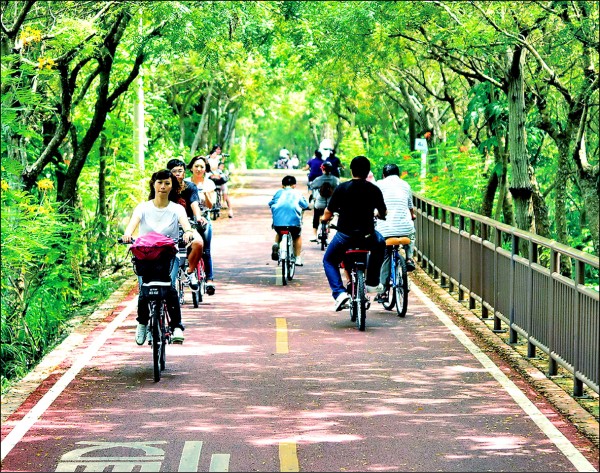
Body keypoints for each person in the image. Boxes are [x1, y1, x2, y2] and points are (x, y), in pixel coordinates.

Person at [122, 169, 193, 344]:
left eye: (167, 183)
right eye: (159, 182)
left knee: (169, 288)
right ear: (153, 184)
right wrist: (127, 235)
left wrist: (188, 233)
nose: (163, 186)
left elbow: (186, 226)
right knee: (144, 290)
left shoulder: (177, 209)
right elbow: (131, 226)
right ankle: (142, 324)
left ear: (172, 187)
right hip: (146, 256)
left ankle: (176, 326)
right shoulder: (143, 207)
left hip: (168, 256)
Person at [320, 156, 387, 311]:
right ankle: (372, 282)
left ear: (351, 170)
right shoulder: (374, 189)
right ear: (368, 171)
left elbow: (328, 213)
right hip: (367, 236)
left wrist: (324, 219)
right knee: (380, 243)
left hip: (345, 236)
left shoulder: (342, 188)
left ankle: (339, 293)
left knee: (329, 260)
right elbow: (383, 212)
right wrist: (380, 214)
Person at [374, 163, 417, 301]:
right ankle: (409, 257)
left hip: (385, 229)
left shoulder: (379, 184)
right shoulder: (405, 185)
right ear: (398, 174)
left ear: (384, 175)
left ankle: (383, 291)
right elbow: (411, 208)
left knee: (385, 254)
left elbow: (374, 205)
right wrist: (412, 216)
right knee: (411, 233)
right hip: (404, 227)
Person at [166, 158, 208, 290]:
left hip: (187, 225)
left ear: (184, 172)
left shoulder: (190, 187)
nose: (177, 174)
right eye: (174, 171)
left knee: (198, 243)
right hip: (167, 226)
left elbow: (194, 203)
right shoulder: (164, 187)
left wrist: (199, 217)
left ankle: (190, 272)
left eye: (180, 171)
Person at [186, 155, 217, 294]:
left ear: (205, 170)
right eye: (196, 166)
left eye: (202, 167)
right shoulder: (185, 183)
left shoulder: (209, 183)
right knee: (187, 248)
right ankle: (190, 273)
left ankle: (209, 279)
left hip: (204, 219)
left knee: (206, 250)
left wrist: (206, 194)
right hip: (187, 220)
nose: (199, 169)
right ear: (191, 168)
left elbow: (211, 205)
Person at [269, 175, 309, 267]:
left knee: (279, 232)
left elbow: (270, 203)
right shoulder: (297, 193)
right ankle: (298, 258)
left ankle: (276, 244)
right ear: (294, 185)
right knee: (297, 236)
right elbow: (305, 205)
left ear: (282, 185)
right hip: (293, 224)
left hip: (278, 224)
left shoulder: (279, 192)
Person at [308, 161, 340, 242]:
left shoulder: (318, 179)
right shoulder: (335, 180)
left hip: (320, 203)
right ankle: (328, 226)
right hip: (331, 204)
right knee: (335, 213)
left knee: (316, 215)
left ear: (322, 169)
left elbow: (311, 186)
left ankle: (314, 235)